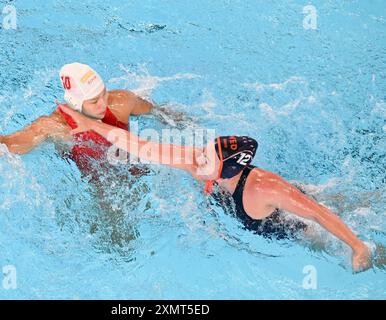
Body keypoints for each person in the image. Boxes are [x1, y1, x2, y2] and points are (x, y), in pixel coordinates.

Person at [56, 104, 373, 273]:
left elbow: (317, 213)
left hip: (294, 224)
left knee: (343, 227)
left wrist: (358, 247)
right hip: (272, 204)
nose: (199, 158)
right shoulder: (204, 166)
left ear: (227, 169)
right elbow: (142, 147)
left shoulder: (265, 188)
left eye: (207, 157)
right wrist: (93, 125)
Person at [0, 62, 154, 173]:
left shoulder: (122, 102)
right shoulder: (54, 126)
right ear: (76, 103)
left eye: (104, 94)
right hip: (99, 180)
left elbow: (161, 112)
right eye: (94, 101)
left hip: (131, 161)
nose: (103, 103)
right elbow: (1, 147)